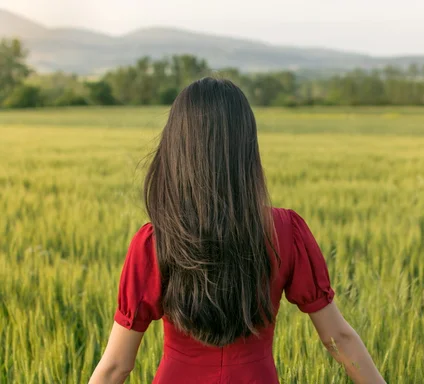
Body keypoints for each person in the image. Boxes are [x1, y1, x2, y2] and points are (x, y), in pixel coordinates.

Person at [89, 77, 385, 384]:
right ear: (246, 148)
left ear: (178, 147)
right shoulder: (285, 231)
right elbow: (337, 337)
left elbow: (117, 365)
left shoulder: (156, 241)